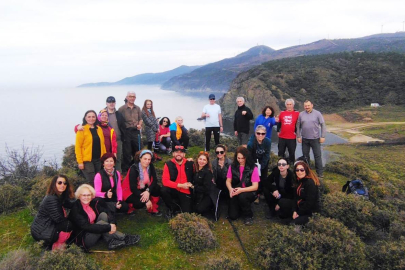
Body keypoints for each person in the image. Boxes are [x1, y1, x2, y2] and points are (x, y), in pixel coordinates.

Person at [69, 184, 141, 251]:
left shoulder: (92, 203)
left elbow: (107, 211)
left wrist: (113, 223)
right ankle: (124, 237)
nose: (86, 197)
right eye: (84, 195)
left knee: (103, 214)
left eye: (89, 195)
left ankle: (110, 241)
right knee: (101, 223)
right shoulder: (76, 209)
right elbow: (87, 226)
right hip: (83, 239)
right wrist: (109, 227)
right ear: (79, 196)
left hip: (93, 229)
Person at [31, 175, 75, 250]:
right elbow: (59, 219)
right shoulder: (52, 199)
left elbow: (70, 204)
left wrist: (82, 199)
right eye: (59, 183)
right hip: (43, 232)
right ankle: (56, 245)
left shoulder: (58, 196)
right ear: (54, 184)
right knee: (68, 225)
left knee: (69, 222)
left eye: (65, 183)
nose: (62, 185)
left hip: (44, 227)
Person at [226, 146, 259, 225]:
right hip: (236, 190)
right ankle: (241, 206)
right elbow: (228, 181)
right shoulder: (232, 166)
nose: (240, 160)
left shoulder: (253, 168)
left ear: (246, 157)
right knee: (233, 216)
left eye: (242, 158)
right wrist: (230, 189)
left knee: (242, 197)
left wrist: (241, 190)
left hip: (249, 191)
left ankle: (248, 215)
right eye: (238, 158)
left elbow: (255, 186)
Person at [121, 150, 161, 216]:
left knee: (156, 188)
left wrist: (148, 191)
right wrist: (147, 200)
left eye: (149, 159)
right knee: (139, 203)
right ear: (140, 158)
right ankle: (130, 206)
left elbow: (154, 180)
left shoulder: (150, 166)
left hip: (143, 187)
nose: (147, 161)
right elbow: (133, 188)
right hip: (130, 191)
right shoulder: (134, 169)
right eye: (145, 159)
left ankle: (153, 207)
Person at [160, 145, 194, 218]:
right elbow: (165, 181)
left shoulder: (190, 163)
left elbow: (201, 165)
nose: (179, 154)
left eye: (181, 152)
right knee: (164, 190)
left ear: (184, 154)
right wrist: (181, 185)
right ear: (173, 154)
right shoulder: (168, 164)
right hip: (174, 189)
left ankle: (178, 205)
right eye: (176, 152)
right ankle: (171, 208)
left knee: (187, 213)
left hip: (186, 191)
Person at [296, 100, 326, 178]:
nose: (307, 107)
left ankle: (320, 173)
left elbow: (323, 125)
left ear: (312, 105)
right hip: (305, 139)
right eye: (305, 106)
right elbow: (298, 126)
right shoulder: (301, 114)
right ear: (304, 106)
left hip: (315, 139)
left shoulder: (317, 113)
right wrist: (298, 136)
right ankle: (307, 172)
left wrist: (323, 136)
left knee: (317, 156)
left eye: (308, 105)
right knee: (305, 156)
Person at [75, 110, 106, 184]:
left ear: (96, 118)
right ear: (85, 118)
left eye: (93, 117)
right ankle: (92, 195)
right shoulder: (82, 130)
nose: (91, 118)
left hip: (98, 159)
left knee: (99, 180)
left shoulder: (99, 129)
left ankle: (98, 195)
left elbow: (102, 144)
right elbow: (78, 147)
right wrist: (80, 162)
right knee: (92, 181)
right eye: (89, 117)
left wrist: (105, 159)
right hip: (87, 161)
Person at [191, 151, 221, 220]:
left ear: (207, 162)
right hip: (198, 193)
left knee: (199, 210)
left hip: (208, 194)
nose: (201, 161)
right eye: (200, 159)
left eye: (204, 160)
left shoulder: (208, 172)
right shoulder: (195, 168)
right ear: (197, 159)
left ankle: (210, 207)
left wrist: (193, 187)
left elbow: (206, 189)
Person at [118, 91, 143, 173]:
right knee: (127, 151)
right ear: (127, 97)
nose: (132, 98)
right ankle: (126, 170)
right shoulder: (121, 109)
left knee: (138, 150)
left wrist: (139, 125)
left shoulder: (138, 108)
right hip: (127, 132)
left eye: (133, 96)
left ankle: (138, 167)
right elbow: (119, 121)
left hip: (136, 131)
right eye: (130, 96)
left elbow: (140, 119)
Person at [247, 125, 271, 204]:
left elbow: (267, 154)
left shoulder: (267, 141)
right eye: (258, 133)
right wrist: (255, 167)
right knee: (254, 178)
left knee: (263, 177)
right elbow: (249, 156)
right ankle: (255, 194)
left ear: (265, 134)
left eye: (263, 133)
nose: (260, 135)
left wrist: (262, 166)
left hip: (263, 161)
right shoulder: (251, 143)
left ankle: (261, 192)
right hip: (253, 161)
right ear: (255, 133)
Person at [105, 96, 126, 172]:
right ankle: (108, 175)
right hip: (106, 141)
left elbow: (123, 126)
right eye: (109, 102)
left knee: (118, 158)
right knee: (107, 159)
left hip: (118, 140)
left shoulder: (118, 114)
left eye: (113, 102)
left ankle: (118, 174)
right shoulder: (103, 114)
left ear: (115, 103)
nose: (111, 104)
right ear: (106, 103)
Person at [277, 98, 300, 165]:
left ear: (293, 105)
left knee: (292, 153)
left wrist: (298, 133)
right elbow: (279, 123)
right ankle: (280, 166)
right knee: (281, 152)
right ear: (286, 105)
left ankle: (292, 166)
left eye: (290, 104)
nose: (289, 106)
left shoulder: (297, 113)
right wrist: (278, 131)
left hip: (292, 137)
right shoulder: (282, 113)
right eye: (287, 104)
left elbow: (300, 124)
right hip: (282, 137)